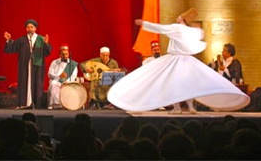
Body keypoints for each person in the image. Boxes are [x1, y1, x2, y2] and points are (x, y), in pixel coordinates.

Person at [107, 8, 250, 113]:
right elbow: (200, 33)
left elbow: (161, 28)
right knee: (188, 84)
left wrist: (144, 23)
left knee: (174, 84)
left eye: (180, 17)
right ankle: (191, 107)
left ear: (181, 19)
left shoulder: (177, 29)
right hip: (188, 60)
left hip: (176, 60)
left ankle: (177, 107)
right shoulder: (189, 31)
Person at [4, 19, 52, 109]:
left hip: (37, 66)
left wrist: (46, 43)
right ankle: (24, 103)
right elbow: (12, 47)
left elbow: (47, 52)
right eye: (28, 27)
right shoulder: (22, 40)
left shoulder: (41, 39)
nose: (29, 29)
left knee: (37, 84)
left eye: (31, 27)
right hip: (25, 65)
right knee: (24, 83)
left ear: (35, 28)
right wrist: (9, 40)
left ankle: (36, 103)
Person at [47, 44, 78, 109]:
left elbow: (73, 76)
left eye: (66, 54)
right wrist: (59, 77)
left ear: (68, 54)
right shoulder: (54, 62)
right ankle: (55, 104)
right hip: (56, 81)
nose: (65, 56)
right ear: (60, 54)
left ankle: (64, 104)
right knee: (53, 84)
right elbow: (50, 74)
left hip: (68, 82)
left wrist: (65, 82)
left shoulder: (72, 64)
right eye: (63, 54)